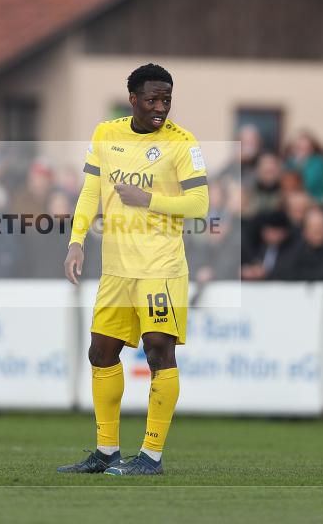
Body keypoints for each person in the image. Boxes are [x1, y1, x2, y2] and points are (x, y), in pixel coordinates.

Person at [58, 64, 208, 476]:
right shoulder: (107, 134)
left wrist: (148, 198)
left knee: (158, 348)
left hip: (161, 266)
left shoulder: (183, 143)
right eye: (153, 99)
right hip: (117, 269)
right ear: (133, 99)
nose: (160, 108)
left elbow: (200, 206)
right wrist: (76, 240)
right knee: (101, 352)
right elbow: (91, 191)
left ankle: (151, 457)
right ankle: (106, 451)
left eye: (167, 100)